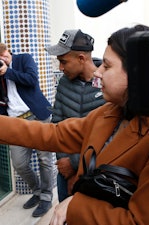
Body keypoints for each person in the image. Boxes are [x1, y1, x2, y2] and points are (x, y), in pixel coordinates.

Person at [0, 24, 149, 225]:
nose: (98, 72)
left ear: (138, 73)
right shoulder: (107, 113)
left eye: (108, 66)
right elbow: (55, 133)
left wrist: (76, 206)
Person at [0, 42, 54, 217]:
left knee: (45, 160)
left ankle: (46, 198)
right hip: (15, 122)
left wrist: (8, 71)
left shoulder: (23, 59)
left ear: (5, 53)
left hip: (36, 116)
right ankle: (38, 191)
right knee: (19, 164)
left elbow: (32, 80)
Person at [45, 29, 105, 202]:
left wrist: (74, 164)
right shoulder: (64, 83)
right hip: (65, 173)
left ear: (81, 58)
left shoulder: (108, 82)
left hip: (97, 173)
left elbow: (109, 134)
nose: (60, 68)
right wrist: (65, 164)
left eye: (63, 62)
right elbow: (57, 123)